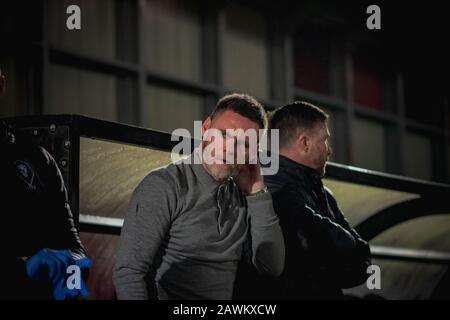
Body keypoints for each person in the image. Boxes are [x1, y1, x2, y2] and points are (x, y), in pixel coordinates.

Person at [113, 93, 285, 300]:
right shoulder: (165, 185)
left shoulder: (242, 194)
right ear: (205, 129)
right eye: (223, 134)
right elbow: (129, 273)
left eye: (244, 144)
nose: (229, 149)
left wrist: (257, 191)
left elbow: (271, 266)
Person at [264, 101, 371, 299]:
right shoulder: (272, 192)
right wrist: (347, 248)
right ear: (305, 143)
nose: (329, 150)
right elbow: (353, 253)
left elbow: (362, 261)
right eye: (324, 140)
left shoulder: (322, 193)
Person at [0, 67, 91, 300]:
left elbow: (76, 249)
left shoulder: (37, 158)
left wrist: (71, 267)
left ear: (1, 84)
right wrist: (25, 268)